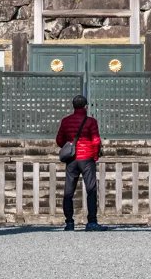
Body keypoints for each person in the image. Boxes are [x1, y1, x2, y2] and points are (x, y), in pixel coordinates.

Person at [55, 94, 107, 231]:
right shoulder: (91, 121)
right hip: (87, 158)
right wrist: (95, 156)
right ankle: (91, 222)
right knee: (91, 190)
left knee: (69, 191)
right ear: (85, 106)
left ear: (73, 106)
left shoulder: (66, 121)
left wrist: (69, 147)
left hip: (72, 160)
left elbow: (59, 140)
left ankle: (69, 222)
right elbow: (96, 140)